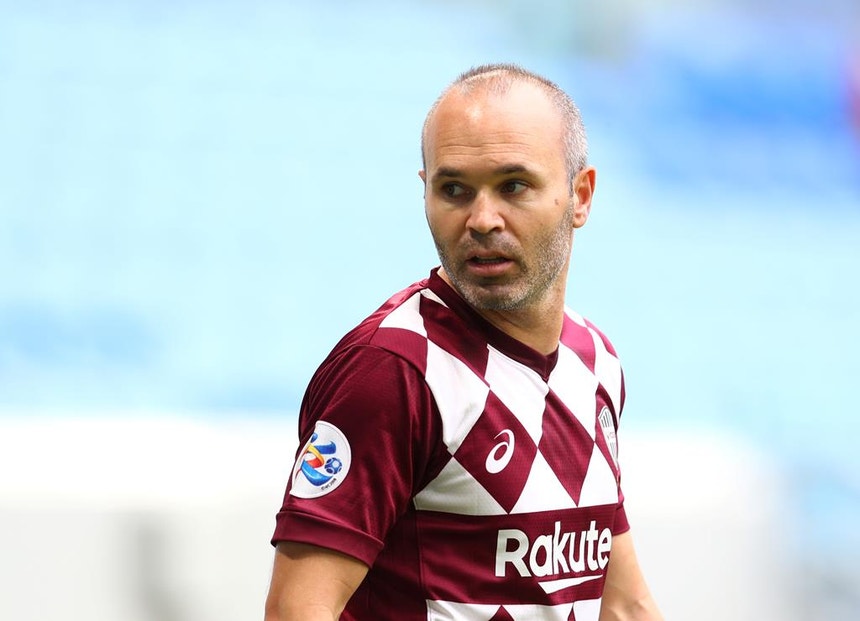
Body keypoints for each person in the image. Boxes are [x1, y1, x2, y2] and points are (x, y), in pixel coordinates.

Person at [265, 63, 662, 621]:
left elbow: (623, 605)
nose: (482, 219)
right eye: (454, 190)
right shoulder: (394, 370)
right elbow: (298, 610)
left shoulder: (595, 362)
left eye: (513, 185)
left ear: (580, 195)